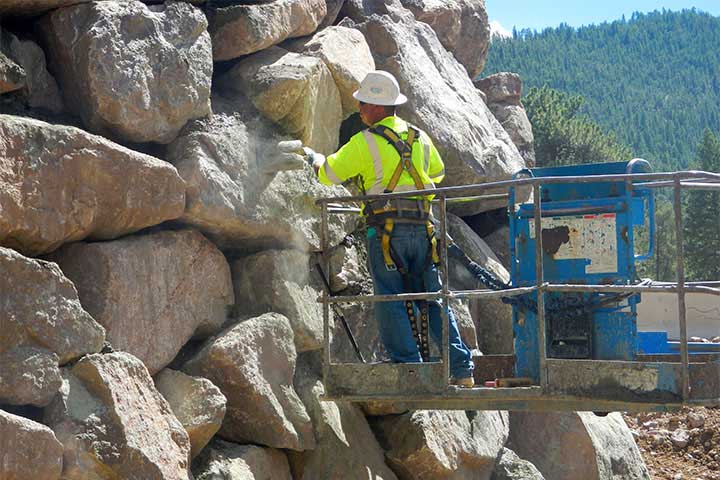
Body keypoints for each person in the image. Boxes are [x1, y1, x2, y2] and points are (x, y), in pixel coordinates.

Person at [308, 70, 474, 387]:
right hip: (423, 229)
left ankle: (410, 367)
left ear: (376, 107)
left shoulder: (364, 142)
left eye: (363, 103)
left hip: (386, 232)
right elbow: (437, 172)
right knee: (433, 297)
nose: (359, 109)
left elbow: (329, 174)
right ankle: (462, 369)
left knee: (391, 297)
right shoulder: (419, 137)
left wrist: (313, 158)